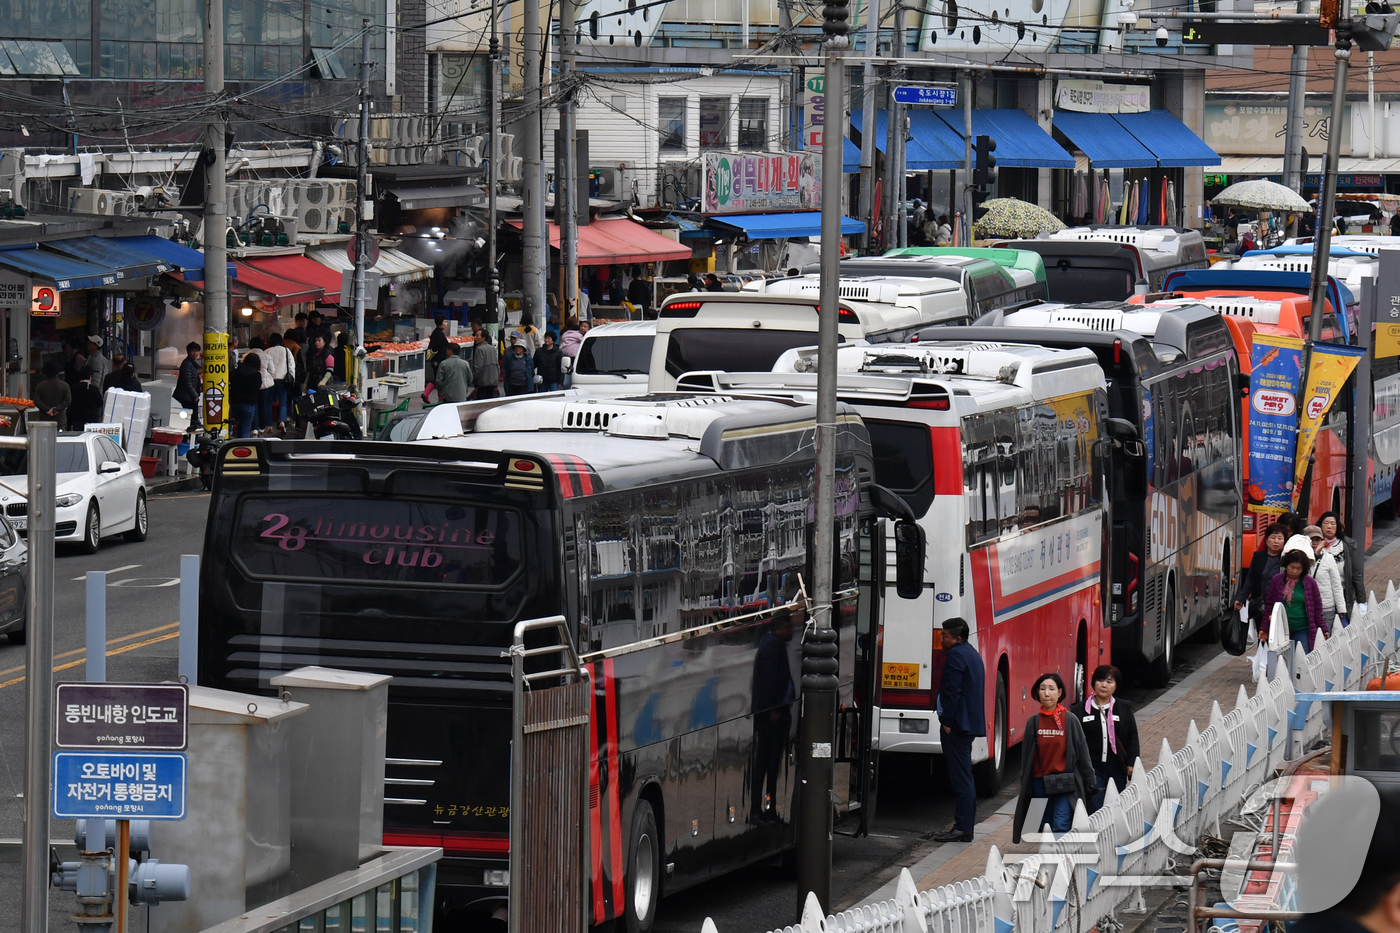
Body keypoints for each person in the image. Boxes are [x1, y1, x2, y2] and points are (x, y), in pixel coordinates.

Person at [1012, 672, 1095, 842]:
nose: (1047, 693)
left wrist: (1090, 780)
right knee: (1042, 826)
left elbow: (1083, 752)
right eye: (1042, 689)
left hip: (1064, 782)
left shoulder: (1070, 720)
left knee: (1061, 825)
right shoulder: (1033, 723)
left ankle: (1060, 863)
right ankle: (1046, 860)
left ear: (1060, 692)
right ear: (1037, 693)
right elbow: (1026, 757)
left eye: (1051, 689)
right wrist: (1024, 782)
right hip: (1039, 783)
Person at [933, 617, 985, 844]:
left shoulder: (955, 655)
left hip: (957, 725)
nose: (941, 639)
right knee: (964, 776)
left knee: (961, 777)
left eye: (945, 636)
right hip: (968, 723)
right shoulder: (972, 653)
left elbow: (952, 690)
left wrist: (947, 720)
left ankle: (963, 827)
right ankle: (964, 826)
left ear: (958, 638)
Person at [749, 609, 796, 823]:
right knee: (768, 764)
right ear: (780, 627)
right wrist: (775, 710)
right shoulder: (773, 647)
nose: (792, 631)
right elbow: (769, 683)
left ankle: (766, 808)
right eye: (789, 627)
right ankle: (763, 809)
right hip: (770, 719)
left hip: (767, 716)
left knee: (767, 764)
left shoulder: (770, 645)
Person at [1261, 536, 1326, 681]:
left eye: (1298, 568)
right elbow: (1269, 607)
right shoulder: (1277, 580)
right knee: (1280, 662)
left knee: (1302, 660)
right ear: (1286, 565)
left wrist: (1323, 629)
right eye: (1292, 567)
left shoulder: (1310, 583)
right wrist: (1264, 629)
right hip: (1280, 629)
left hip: (1302, 628)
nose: (1295, 571)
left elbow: (1317, 610)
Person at [1080, 665, 1140, 814]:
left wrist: (1131, 763)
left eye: (1109, 681)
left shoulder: (1124, 708)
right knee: (1096, 806)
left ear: (1116, 686)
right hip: (1093, 767)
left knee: (1116, 806)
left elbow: (1132, 736)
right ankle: (1096, 836)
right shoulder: (1080, 710)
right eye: (1100, 680)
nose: (1104, 685)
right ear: (1093, 683)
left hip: (1116, 766)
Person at [1235, 522, 1288, 629]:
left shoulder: (1286, 559)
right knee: (1261, 634)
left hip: (1279, 604)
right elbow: (1250, 579)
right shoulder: (1258, 556)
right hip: (1260, 604)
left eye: (1280, 538)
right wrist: (1241, 599)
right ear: (1267, 540)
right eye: (1273, 537)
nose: (1276, 541)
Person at [1320, 510, 1366, 614]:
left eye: (1333, 523)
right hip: (1323, 596)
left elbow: (1356, 574)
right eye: (1326, 523)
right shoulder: (1315, 546)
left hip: (1343, 594)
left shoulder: (1347, 546)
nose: (1329, 527)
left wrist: (1361, 601)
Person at [1308, 524, 1347, 630]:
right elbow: (1308, 576)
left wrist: (1341, 608)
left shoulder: (1329, 558)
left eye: (1317, 540)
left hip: (1326, 607)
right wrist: (1315, 555)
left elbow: (1336, 585)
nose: (1315, 543)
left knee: (1325, 638)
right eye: (1311, 540)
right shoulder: (1301, 559)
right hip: (1307, 608)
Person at [265, 334, 295, 433]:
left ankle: (269, 425)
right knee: (283, 403)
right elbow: (291, 365)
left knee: (268, 403)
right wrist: (292, 379)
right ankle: (282, 421)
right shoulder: (286, 350)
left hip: (270, 380)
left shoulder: (267, 351)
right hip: (283, 380)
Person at [229, 353, 262, 438]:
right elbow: (257, 388)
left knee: (231, 425)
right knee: (245, 428)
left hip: (235, 403)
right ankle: (242, 447)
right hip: (249, 404)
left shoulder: (236, 372)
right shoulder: (256, 375)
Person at [32, 360, 70, 426]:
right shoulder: (65, 385)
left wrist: (47, 409)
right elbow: (67, 401)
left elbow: (37, 401)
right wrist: (56, 409)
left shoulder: (40, 386)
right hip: (60, 419)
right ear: (57, 373)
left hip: (44, 419)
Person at [424, 314, 451, 403]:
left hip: (437, 359)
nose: (446, 324)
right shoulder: (439, 334)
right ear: (440, 323)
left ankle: (440, 398)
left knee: (439, 378)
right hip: (439, 360)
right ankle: (426, 394)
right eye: (445, 322)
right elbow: (435, 346)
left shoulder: (437, 332)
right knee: (438, 379)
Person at [173, 342, 203, 414]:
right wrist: (195, 396)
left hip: (189, 397)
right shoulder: (187, 364)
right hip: (187, 398)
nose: (195, 353)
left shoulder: (193, 364)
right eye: (193, 351)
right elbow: (187, 382)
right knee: (190, 418)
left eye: (197, 351)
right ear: (188, 352)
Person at [472, 331, 500, 399]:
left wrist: (474, 380)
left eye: (477, 335)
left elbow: (478, 367)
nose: (475, 337)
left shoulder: (479, 349)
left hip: (483, 382)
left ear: (483, 338)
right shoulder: (492, 348)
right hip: (493, 380)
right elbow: (497, 365)